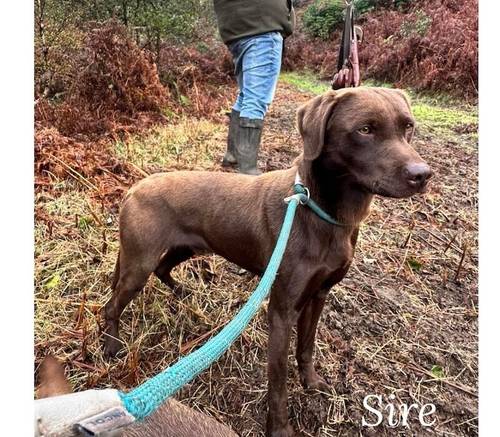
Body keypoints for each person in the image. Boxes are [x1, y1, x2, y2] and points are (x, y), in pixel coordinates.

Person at [213, 0, 295, 175]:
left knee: (246, 95)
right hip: (262, 25)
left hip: (235, 28)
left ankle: (233, 155)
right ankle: (247, 169)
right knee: (256, 99)